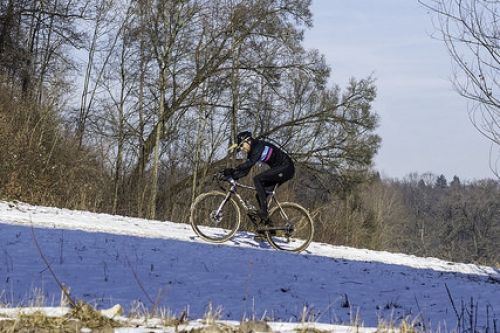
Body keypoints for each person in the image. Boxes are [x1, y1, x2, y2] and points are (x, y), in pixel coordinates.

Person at [223, 131, 295, 222]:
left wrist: (233, 169)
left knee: (257, 179)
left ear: (248, 141)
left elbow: (251, 163)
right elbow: (245, 172)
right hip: (280, 169)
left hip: (286, 168)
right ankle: (268, 227)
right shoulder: (251, 152)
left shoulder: (258, 146)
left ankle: (264, 211)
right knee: (260, 195)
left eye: (242, 145)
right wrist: (231, 176)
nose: (241, 149)